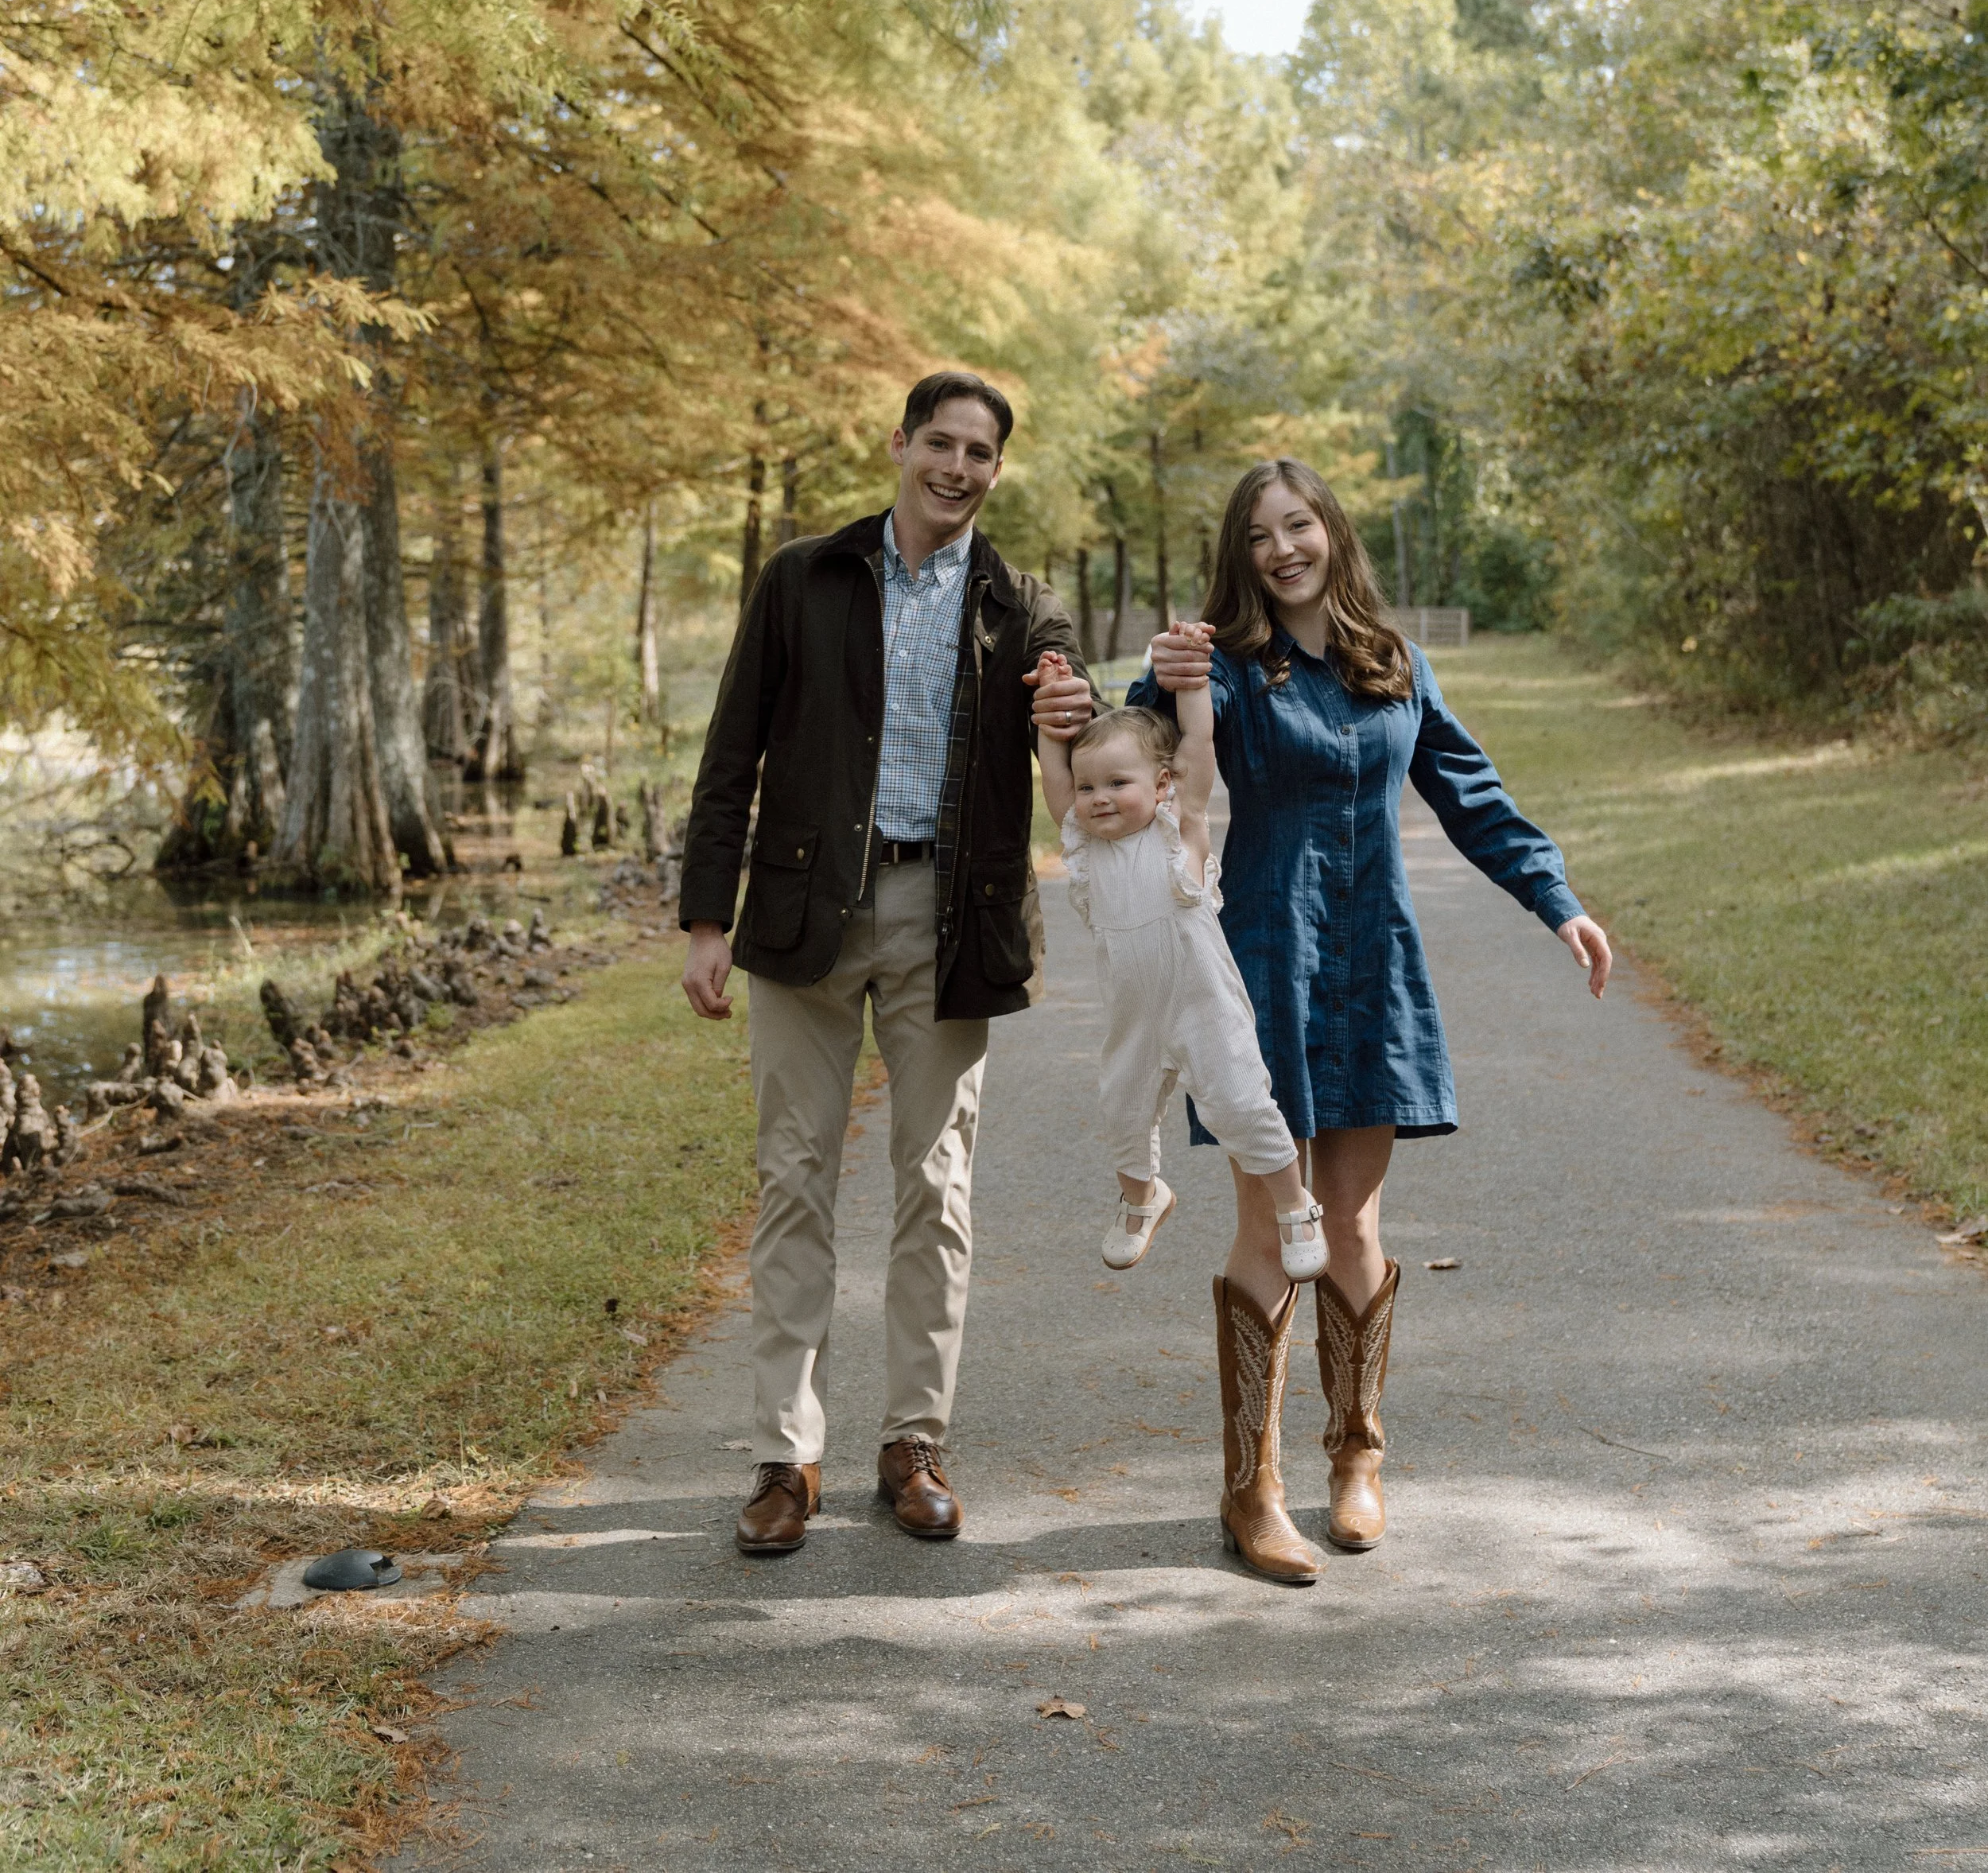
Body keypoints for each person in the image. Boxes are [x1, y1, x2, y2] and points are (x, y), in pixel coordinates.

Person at [1132, 458, 1612, 1582]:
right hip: (1264, 965)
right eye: (1258, 535)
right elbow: (1149, 764)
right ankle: (1252, 1488)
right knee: (1269, 1230)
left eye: (1299, 525)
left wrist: (1559, 899)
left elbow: (1472, 792)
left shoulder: (1392, 662)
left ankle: (1357, 1456)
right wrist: (1156, 686)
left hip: (1372, 966)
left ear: (1332, 533)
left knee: (1350, 1225)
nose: (1283, 548)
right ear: (1238, 556)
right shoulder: (1228, 669)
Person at [678, 371, 1097, 1558]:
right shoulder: (803, 579)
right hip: (809, 913)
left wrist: (1087, 705)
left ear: (997, 470)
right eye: (941, 444)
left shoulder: (1025, 605)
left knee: (937, 1184)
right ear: (901, 444)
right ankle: (784, 1455)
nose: (957, 468)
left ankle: (914, 1442)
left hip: (949, 920)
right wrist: (706, 917)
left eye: (981, 453)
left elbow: (1086, 723)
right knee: (794, 1174)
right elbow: (732, 752)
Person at [1035, 682, 1332, 1585]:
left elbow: (1199, 752)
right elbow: (1053, 783)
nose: (1096, 799)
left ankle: (1294, 1207)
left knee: (1245, 1106)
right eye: (1088, 787)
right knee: (1122, 1109)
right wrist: (1048, 736)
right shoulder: (1083, 846)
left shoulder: (1180, 834)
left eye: (1117, 783)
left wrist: (1196, 694)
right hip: (1133, 1017)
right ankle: (1142, 1194)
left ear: (1160, 787)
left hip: (1203, 1007)